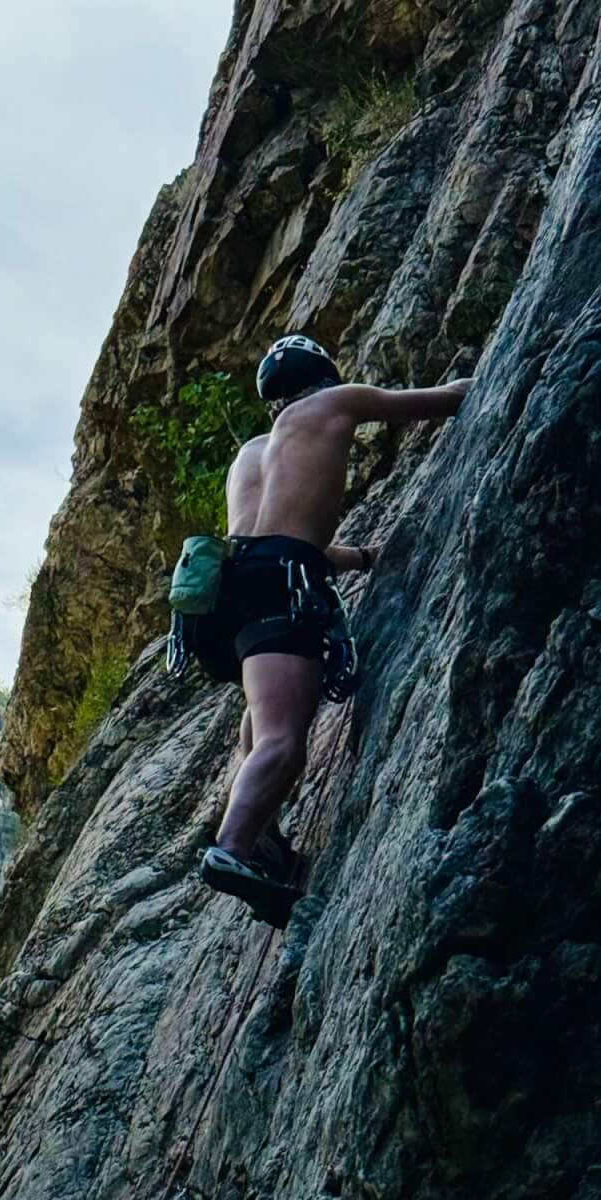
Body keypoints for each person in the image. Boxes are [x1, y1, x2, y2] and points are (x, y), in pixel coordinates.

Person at [199, 334, 472, 922]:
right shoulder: (335, 403)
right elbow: (445, 399)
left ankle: (265, 840)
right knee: (283, 739)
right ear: (322, 374)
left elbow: (277, 535)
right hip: (283, 580)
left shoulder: (249, 455)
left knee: (260, 716)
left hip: (239, 587)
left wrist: (365, 557)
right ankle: (232, 848)